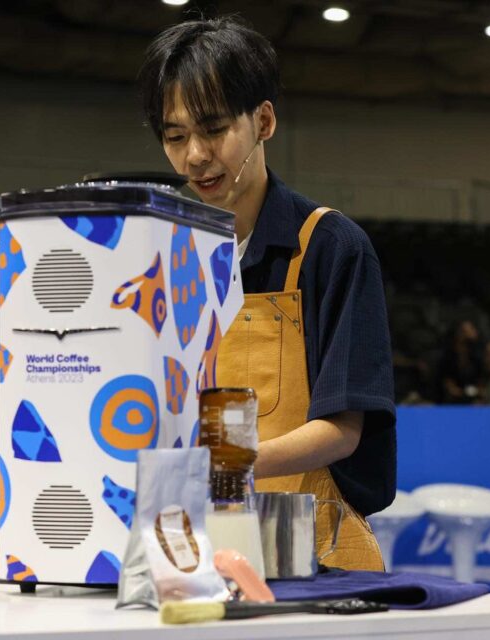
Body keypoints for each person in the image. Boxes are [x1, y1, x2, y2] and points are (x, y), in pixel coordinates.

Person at [139, 17, 395, 571]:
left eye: (213, 128)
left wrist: (222, 469)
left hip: (313, 555)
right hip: (192, 556)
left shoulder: (331, 247)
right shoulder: (158, 256)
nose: (195, 156)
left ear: (264, 120)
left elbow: (343, 429)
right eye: (175, 136)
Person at [437, 320, 484, 404]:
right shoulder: (447, 356)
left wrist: (474, 391)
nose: (474, 332)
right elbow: (447, 382)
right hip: (450, 399)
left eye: (473, 329)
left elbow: (481, 382)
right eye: (467, 330)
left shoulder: (478, 355)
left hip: (473, 396)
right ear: (458, 333)